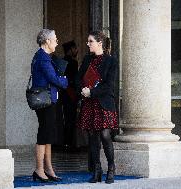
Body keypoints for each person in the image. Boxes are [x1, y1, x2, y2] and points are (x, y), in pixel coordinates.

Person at [76, 31, 118, 184]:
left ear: (100, 43)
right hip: (89, 103)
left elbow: (109, 86)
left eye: (90, 41)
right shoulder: (87, 59)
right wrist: (83, 89)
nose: (88, 44)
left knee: (105, 135)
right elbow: (78, 78)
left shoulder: (111, 61)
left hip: (104, 103)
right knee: (93, 138)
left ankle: (111, 168)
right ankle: (97, 170)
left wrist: (92, 91)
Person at [31, 29, 68, 182]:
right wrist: (65, 81)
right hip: (45, 101)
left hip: (48, 100)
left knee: (48, 135)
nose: (57, 42)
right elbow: (53, 79)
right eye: (55, 39)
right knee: (44, 134)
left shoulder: (44, 56)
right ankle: (39, 170)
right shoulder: (43, 58)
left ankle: (48, 169)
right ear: (47, 41)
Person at [62, 40, 79, 149]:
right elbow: (75, 79)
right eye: (75, 48)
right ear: (71, 49)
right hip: (71, 93)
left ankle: (66, 142)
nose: (76, 50)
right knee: (71, 119)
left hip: (64, 94)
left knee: (66, 118)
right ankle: (70, 143)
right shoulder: (73, 63)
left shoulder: (62, 62)